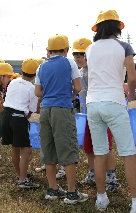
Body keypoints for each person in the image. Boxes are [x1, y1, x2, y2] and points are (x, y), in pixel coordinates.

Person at [86, 10, 136, 212]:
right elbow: (132, 78)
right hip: (114, 102)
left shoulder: (90, 48)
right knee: (129, 153)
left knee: (100, 154)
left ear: (98, 28)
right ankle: (134, 202)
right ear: (117, 27)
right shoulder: (124, 46)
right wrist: (131, 95)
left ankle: (101, 198)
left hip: (93, 104)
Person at [35, 34, 88, 204]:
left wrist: (50, 95)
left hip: (45, 110)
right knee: (67, 149)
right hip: (62, 109)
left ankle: (53, 189)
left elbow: (37, 92)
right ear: (66, 50)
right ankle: (72, 193)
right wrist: (69, 94)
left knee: (48, 150)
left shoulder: (41, 66)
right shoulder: (69, 62)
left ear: (49, 51)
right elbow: (78, 87)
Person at [72, 37, 120, 191]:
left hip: (102, 113)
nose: (78, 58)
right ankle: (92, 174)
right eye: (75, 54)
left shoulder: (96, 70)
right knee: (89, 146)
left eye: (81, 54)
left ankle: (112, 178)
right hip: (88, 114)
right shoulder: (79, 73)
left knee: (105, 146)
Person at [2, 58, 40, 189]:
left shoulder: (13, 81)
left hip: (6, 115)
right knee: (26, 150)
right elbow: (32, 110)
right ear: (35, 74)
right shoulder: (32, 88)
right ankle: (23, 180)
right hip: (18, 117)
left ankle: (20, 175)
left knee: (15, 147)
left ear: (22, 70)